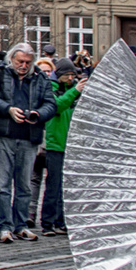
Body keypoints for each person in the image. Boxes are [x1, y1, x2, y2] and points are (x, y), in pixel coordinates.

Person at [0, 44, 56, 243]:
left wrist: (38, 114)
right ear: (12, 59)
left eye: (27, 62)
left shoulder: (40, 77)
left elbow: (51, 103)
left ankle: (21, 225)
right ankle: (5, 226)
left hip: (29, 136)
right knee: (3, 184)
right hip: (3, 134)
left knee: (24, 185)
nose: (23, 66)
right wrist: (8, 109)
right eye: (20, 62)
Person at [39, 67, 79, 237]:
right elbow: (57, 107)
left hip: (69, 144)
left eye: (73, 75)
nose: (70, 78)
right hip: (55, 144)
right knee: (53, 186)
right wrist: (75, 91)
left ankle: (61, 221)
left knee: (66, 187)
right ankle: (47, 222)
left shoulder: (72, 90)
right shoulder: (50, 88)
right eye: (68, 75)